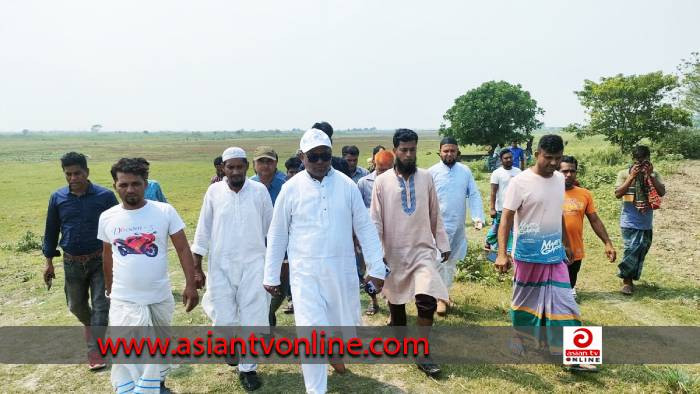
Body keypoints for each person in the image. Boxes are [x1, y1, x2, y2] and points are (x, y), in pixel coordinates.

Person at [263, 128, 386, 394]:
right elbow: (277, 233)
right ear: (301, 157)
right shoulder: (290, 189)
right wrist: (271, 274)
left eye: (325, 156)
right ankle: (316, 389)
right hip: (305, 274)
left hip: (340, 272)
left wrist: (376, 268)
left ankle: (335, 356)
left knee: (341, 328)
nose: (320, 162)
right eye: (313, 157)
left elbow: (364, 227)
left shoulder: (346, 185)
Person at [98, 158, 200, 393]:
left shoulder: (164, 211)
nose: (130, 189)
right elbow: (107, 256)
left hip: (159, 296)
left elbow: (183, 248)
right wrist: (110, 289)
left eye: (135, 183)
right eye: (123, 184)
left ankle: (157, 385)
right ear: (115, 185)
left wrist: (190, 284)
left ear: (146, 184)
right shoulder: (108, 217)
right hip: (125, 298)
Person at [494, 135, 593, 372]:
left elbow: (556, 211)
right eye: (548, 157)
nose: (553, 163)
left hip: (553, 253)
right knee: (524, 302)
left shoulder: (559, 179)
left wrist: (566, 242)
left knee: (566, 302)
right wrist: (502, 253)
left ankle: (576, 356)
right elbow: (506, 218)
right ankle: (520, 337)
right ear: (537, 154)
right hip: (527, 254)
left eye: (557, 158)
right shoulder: (520, 182)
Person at [191, 147, 272, 391]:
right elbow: (203, 230)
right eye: (230, 167)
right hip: (221, 265)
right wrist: (196, 266)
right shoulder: (214, 192)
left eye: (239, 166)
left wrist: (275, 266)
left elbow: (272, 231)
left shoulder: (259, 191)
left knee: (253, 318)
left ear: (247, 166)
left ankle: (248, 369)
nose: (235, 171)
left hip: (255, 264)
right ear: (223, 168)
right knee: (223, 315)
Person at [371, 129, 450, 377]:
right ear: (395, 151)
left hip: (422, 250)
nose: (408, 154)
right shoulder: (382, 182)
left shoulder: (426, 178)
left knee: (426, 299)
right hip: (393, 251)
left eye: (412, 149)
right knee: (396, 302)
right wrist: (376, 254)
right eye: (404, 150)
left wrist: (443, 243)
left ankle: (422, 352)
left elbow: (435, 213)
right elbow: (375, 220)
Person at [42, 152, 118, 370]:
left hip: (100, 260)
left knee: (102, 305)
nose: (73, 178)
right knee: (75, 305)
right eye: (68, 174)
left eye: (77, 173)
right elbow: (51, 231)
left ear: (87, 172)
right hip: (71, 262)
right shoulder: (57, 198)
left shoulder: (104, 196)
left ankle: (96, 351)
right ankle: (93, 328)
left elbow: (117, 227)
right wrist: (48, 262)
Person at [428, 137, 484, 316]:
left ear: (457, 152)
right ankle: (439, 298)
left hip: (458, 224)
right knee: (437, 260)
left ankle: (444, 295)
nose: (449, 154)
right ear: (440, 152)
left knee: (451, 262)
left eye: (452, 151)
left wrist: (477, 217)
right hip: (437, 225)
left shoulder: (465, 171)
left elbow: (473, 194)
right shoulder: (431, 172)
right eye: (446, 151)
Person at [560, 156, 617, 300]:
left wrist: (607, 243)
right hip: (551, 247)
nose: (568, 175)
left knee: (570, 281)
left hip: (575, 248)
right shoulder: (548, 192)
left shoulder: (584, 194)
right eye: (564, 171)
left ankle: (569, 293)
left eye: (572, 171)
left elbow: (594, 220)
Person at [614, 145, 666, 295]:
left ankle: (631, 277)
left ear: (649, 160)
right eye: (639, 162)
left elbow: (661, 192)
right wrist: (631, 177)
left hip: (646, 221)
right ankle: (626, 282)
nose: (642, 164)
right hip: (629, 220)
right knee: (631, 249)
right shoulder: (624, 173)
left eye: (645, 161)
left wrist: (650, 176)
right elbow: (618, 194)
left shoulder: (655, 174)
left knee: (642, 249)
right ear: (633, 160)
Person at [357, 149, 395, 315]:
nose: (384, 173)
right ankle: (373, 301)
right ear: (374, 164)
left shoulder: (397, 183)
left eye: (388, 169)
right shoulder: (364, 183)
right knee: (371, 271)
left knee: (390, 270)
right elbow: (357, 212)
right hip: (369, 235)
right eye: (381, 169)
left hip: (391, 235)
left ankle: (391, 302)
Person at [485, 149, 521, 256]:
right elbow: (493, 192)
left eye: (510, 157)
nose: (509, 159)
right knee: (498, 229)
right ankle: (489, 243)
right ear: (501, 160)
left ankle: (509, 252)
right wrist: (492, 208)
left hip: (515, 208)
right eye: (506, 158)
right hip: (501, 209)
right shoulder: (497, 173)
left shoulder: (518, 172)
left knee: (513, 231)